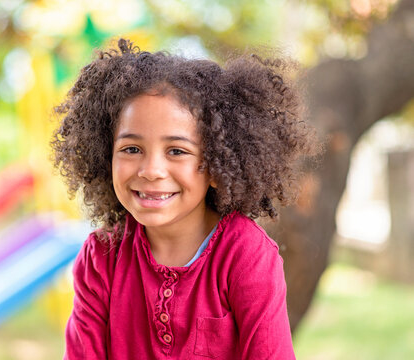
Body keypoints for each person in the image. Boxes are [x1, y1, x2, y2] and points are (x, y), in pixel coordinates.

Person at [51, 38, 320, 359]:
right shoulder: (101, 259)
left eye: (177, 151)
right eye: (131, 149)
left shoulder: (246, 254)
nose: (151, 170)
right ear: (105, 155)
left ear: (218, 163)